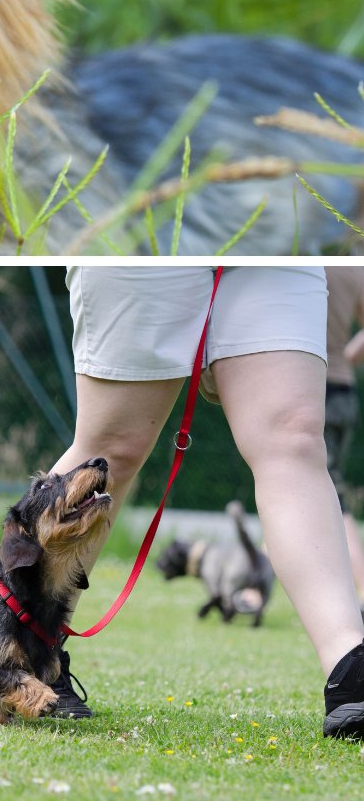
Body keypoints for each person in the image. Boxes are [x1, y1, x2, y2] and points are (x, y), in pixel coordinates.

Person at [47, 266, 364, 739]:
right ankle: (28, 650)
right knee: (113, 449)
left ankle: (351, 669)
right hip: (154, 245)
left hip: (274, 236)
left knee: (293, 440)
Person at [324, 266, 364, 598]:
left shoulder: (303, 263)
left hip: (312, 388)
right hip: (344, 392)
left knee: (330, 497)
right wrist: (346, 356)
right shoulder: (355, 270)